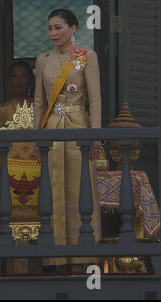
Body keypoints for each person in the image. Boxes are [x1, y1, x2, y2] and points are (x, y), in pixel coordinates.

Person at [33, 9, 102, 271]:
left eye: (58, 27)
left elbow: (95, 99)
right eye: (50, 28)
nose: (53, 33)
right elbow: (39, 101)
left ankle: (84, 257)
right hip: (51, 128)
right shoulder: (43, 59)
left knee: (81, 187)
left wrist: (95, 133)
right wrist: (36, 135)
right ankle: (55, 258)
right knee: (53, 189)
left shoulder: (87, 57)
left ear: (73, 29)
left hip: (78, 127)